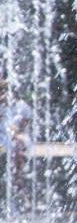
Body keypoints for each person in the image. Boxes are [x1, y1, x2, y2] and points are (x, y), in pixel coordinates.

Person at [0, 78, 32, 213]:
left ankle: (20, 197)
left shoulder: (20, 106)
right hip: (6, 146)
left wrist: (16, 133)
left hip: (9, 147)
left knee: (12, 173)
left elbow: (22, 125)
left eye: (5, 90)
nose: (4, 94)